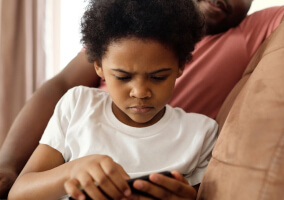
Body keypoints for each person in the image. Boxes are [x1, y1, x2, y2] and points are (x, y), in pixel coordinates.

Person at [0, 0, 283, 197]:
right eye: (123, 77)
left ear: (181, 66)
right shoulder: (80, 103)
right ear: (98, 66)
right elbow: (21, 192)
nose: (140, 92)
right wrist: (68, 170)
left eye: (159, 76)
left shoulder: (202, 134)